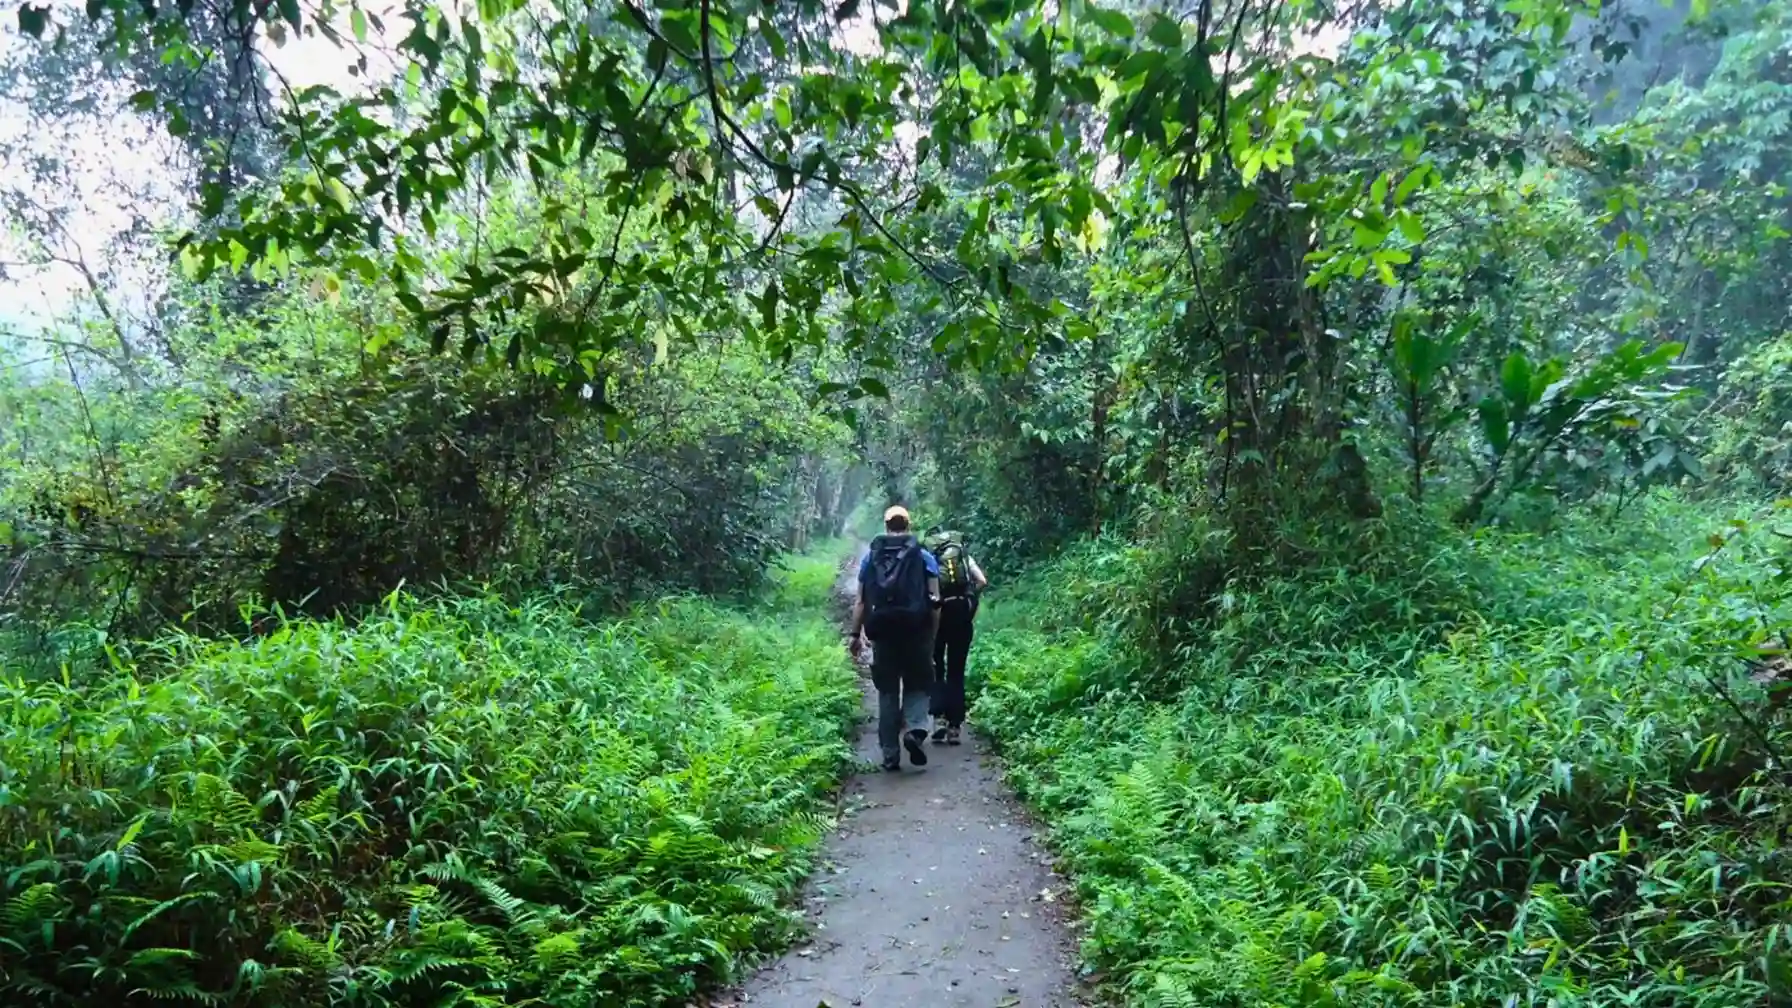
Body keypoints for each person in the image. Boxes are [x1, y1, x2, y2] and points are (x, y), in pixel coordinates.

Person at [849, 505, 941, 771]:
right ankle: (915, 730)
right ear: (908, 525)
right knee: (918, 684)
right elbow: (936, 602)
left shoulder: (872, 557)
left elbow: (861, 601)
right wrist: (933, 636)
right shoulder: (923, 556)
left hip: (884, 634)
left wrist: (855, 634)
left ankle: (890, 754)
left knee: (888, 691)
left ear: (886, 526)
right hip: (917, 632)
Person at [923, 526, 988, 745]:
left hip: (937, 615)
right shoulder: (963, 555)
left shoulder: (929, 557)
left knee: (936, 667)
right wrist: (969, 598)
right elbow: (982, 581)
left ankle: (939, 719)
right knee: (956, 671)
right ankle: (955, 727)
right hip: (960, 615)